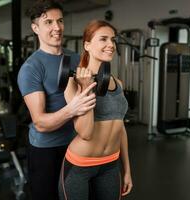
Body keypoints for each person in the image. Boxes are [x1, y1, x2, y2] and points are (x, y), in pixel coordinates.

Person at [17, 1, 97, 200]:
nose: (57, 27)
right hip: (46, 150)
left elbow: (86, 94)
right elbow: (40, 123)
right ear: (35, 28)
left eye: (60, 21)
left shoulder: (75, 57)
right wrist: (72, 109)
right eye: (48, 22)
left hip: (76, 143)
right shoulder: (31, 68)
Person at [58, 20, 133, 200]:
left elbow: (120, 128)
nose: (111, 45)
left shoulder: (118, 83)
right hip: (80, 166)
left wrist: (127, 170)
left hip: (110, 165)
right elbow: (86, 132)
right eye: (104, 39)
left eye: (113, 40)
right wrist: (86, 89)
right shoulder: (73, 82)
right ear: (87, 45)